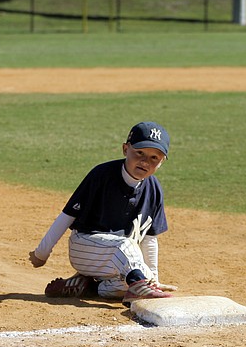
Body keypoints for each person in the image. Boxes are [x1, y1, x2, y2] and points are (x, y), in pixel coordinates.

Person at [29, 121, 177, 307]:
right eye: (139, 153)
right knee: (127, 248)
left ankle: (88, 286)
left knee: (140, 276)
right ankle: (137, 285)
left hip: (119, 260)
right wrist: (41, 253)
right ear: (125, 149)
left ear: (162, 162)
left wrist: (153, 279)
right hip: (85, 246)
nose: (145, 161)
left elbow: (149, 238)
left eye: (154, 157)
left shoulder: (154, 189)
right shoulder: (102, 175)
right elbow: (67, 215)